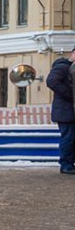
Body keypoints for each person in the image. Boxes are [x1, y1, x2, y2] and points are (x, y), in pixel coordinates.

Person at [46, 47, 75, 175]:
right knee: (68, 138)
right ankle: (66, 165)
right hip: (65, 110)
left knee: (71, 138)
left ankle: (69, 164)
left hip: (68, 110)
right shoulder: (63, 67)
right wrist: (70, 94)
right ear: (73, 53)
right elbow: (51, 81)